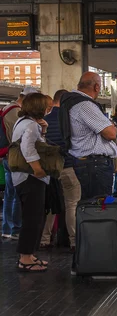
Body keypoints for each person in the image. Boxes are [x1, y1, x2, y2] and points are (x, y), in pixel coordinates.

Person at [59, 72, 117, 200]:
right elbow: (111, 133)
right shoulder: (85, 106)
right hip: (94, 166)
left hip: (87, 163)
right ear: (97, 87)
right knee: (100, 207)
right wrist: (112, 125)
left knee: (92, 206)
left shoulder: (71, 103)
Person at [11, 93, 51, 272]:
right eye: (45, 106)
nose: (47, 110)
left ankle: (29, 254)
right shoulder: (31, 125)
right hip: (30, 178)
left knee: (32, 216)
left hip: (22, 177)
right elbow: (28, 148)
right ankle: (25, 258)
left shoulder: (23, 122)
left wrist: (43, 131)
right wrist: (39, 170)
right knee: (32, 218)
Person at [39, 89, 80, 252]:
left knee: (51, 204)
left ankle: (45, 239)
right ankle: (74, 241)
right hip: (68, 166)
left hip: (49, 170)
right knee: (72, 204)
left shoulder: (43, 121)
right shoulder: (70, 120)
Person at [1, 86, 38, 240]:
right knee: (16, 193)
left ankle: (7, 227)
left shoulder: (7, 109)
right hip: (13, 156)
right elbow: (19, 138)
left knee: (10, 193)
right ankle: (15, 228)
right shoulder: (15, 112)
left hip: (7, 156)